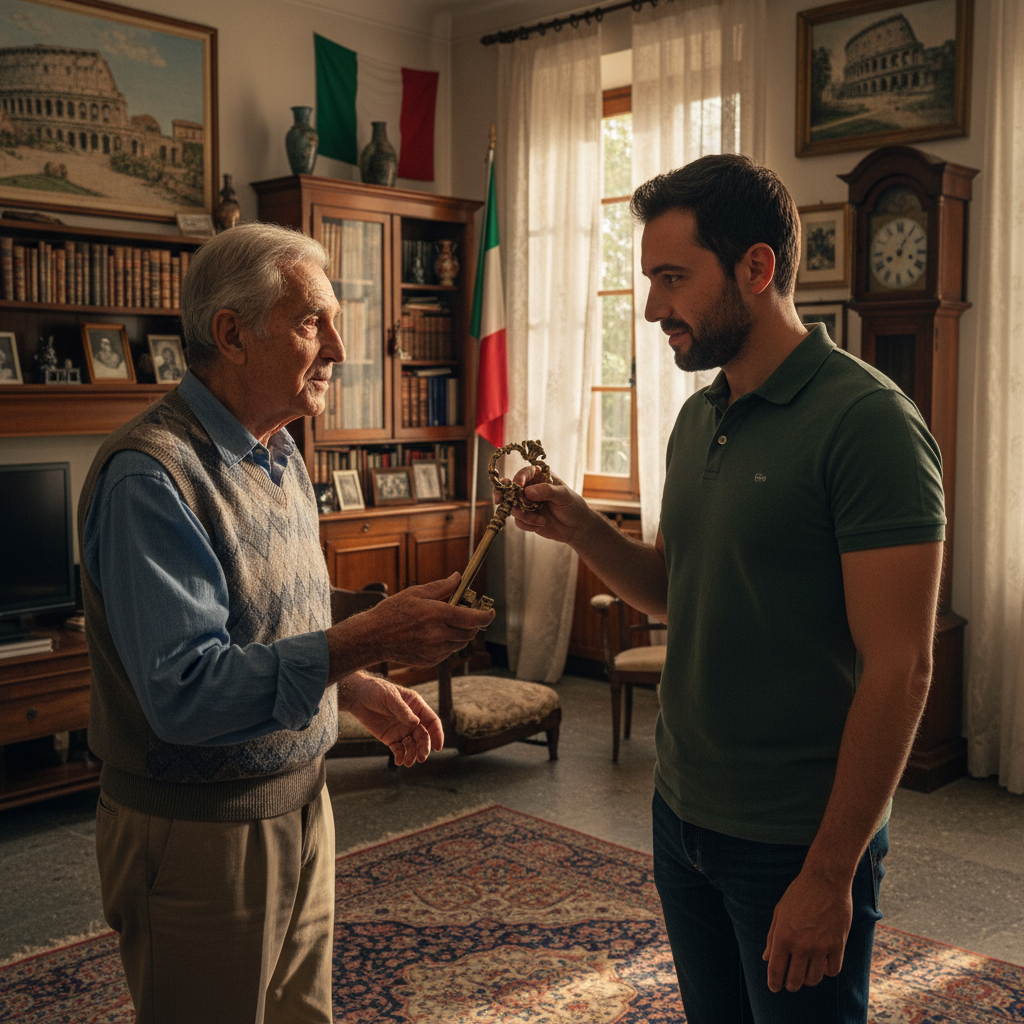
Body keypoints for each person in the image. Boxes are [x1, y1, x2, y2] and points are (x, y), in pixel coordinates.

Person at [502, 154, 945, 1023]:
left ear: (757, 267)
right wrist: (584, 528)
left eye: (674, 278)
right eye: (649, 279)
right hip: (683, 816)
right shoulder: (697, 416)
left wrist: (829, 873)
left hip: (796, 839)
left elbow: (903, 669)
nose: (654, 307)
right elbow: (676, 595)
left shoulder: (870, 426)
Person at [78, 222, 493, 1024]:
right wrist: (368, 637)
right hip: (199, 834)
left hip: (305, 802)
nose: (340, 346)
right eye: (313, 323)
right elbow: (189, 694)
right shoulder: (151, 478)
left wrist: (357, 683)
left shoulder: (281, 454)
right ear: (231, 334)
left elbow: (268, 620)